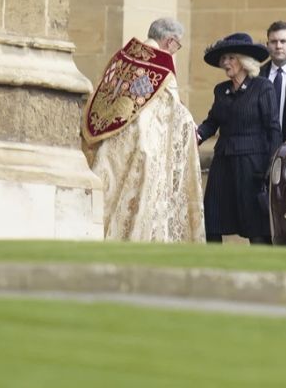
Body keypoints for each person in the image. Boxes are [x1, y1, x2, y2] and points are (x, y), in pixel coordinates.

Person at [83, 18, 205, 243]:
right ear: (169, 41)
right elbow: (173, 108)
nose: (176, 51)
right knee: (138, 204)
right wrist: (191, 126)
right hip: (143, 143)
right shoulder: (163, 63)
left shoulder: (124, 55)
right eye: (178, 46)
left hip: (111, 139)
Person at [197, 33, 282, 245]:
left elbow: (273, 128)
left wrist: (271, 166)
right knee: (212, 220)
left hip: (252, 165)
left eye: (231, 57)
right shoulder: (221, 90)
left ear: (244, 61)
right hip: (223, 162)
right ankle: (214, 268)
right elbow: (212, 121)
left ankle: (261, 270)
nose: (225, 62)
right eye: (224, 58)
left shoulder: (262, 87)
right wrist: (196, 135)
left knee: (255, 225)